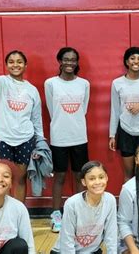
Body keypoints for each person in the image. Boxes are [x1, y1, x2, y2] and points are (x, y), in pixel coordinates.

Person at [0, 50, 44, 203]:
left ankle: (19, 213)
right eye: (12, 62)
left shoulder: (32, 90)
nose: (16, 65)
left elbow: (36, 118)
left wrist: (40, 141)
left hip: (25, 139)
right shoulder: (0, 82)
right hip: (2, 138)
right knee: (3, 180)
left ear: (25, 65)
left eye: (19, 61)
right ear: (7, 65)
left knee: (20, 179)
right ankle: (4, 214)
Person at [44, 47, 90, 233]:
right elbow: (52, 110)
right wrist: (62, 124)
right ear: (60, 61)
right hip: (59, 137)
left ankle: (79, 215)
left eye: (73, 60)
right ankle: (56, 216)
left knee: (80, 175)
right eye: (66, 59)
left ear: (77, 62)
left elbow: (83, 109)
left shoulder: (84, 84)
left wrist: (73, 122)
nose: (69, 63)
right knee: (60, 176)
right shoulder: (51, 83)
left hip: (79, 135)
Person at [109, 47, 139, 181]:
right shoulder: (117, 83)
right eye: (132, 58)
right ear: (126, 61)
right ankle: (129, 202)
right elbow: (115, 110)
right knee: (129, 174)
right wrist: (112, 135)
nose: (136, 61)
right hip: (126, 130)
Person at [56, 161, 118, 253]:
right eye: (92, 179)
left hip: (92, 251)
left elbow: (111, 235)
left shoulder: (110, 200)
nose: (97, 182)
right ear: (84, 182)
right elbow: (67, 241)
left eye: (101, 177)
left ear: (107, 178)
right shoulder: (72, 204)